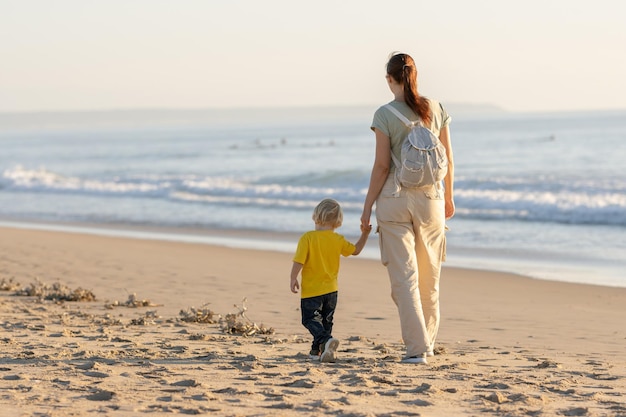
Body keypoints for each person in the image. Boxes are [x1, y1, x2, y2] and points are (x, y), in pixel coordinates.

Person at [360, 52, 455, 364]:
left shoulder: (384, 114)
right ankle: (426, 342)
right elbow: (449, 159)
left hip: (395, 200)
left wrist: (366, 207)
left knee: (405, 277)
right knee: (431, 277)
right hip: (432, 200)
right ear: (415, 76)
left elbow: (382, 166)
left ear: (390, 79)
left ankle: (417, 349)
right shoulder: (436, 108)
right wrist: (449, 197)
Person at [291, 198, 371, 363]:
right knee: (326, 321)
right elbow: (355, 250)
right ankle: (317, 351)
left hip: (312, 290)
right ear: (338, 221)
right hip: (331, 290)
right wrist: (365, 234)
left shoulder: (308, 238)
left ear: (316, 215)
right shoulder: (338, 239)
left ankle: (326, 341)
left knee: (310, 319)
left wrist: (293, 277)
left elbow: (299, 260)